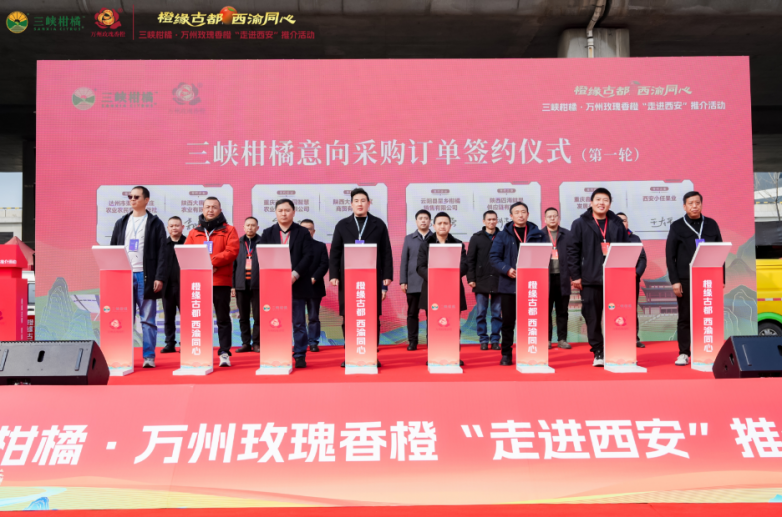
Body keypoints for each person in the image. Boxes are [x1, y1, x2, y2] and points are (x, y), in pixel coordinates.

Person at [329, 188, 393, 368]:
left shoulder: (379, 224)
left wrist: (387, 277)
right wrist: (334, 274)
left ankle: (371, 353)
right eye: (356, 201)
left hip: (372, 278)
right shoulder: (342, 225)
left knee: (372, 316)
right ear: (351, 204)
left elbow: (386, 252)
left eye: (363, 200)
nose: (359, 204)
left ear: (369, 203)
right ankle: (350, 353)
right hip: (348, 279)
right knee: (349, 316)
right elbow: (335, 251)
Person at [567, 188, 631, 367]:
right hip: (590, 279)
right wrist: (576, 276)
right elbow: (572, 251)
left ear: (609, 204)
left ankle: (617, 347)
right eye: (598, 199)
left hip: (615, 278)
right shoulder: (580, 223)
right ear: (591, 202)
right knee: (592, 316)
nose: (601, 203)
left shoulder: (617, 223)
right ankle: (598, 350)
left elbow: (625, 249)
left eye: (605, 200)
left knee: (617, 315)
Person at [109, 186, 168, 369]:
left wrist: (159, 277)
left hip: (146, 276)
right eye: (130, 197)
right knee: (124, 318)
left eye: (136, 197)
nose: (132, 200)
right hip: (125, 276)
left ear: (146, 200)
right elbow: (113, 249)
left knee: (148, 319)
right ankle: (123, 356)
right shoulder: (121, 222)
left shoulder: (155, 223)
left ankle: (149, 356)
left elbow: (162, 252)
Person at [665, 191, 723, 366]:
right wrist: (675, 281)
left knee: (708, 315)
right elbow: (670, 256)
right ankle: (684, 352)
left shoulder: (711, 224)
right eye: (690, 203)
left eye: (697, 203)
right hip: (685, 279)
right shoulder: (677, 226)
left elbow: (720, 251)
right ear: (685, 206)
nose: (694, 206)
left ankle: (709, 350)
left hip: (709, 279)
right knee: (685, 316)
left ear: (701, 204)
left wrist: (721, 278)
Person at [259, 199, 314, 369]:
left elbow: (308, 256)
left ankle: (299, 354)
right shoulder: (267, 233)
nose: (284, 213)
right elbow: (262, 256)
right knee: (275, 320)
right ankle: (277, 351)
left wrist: (294, 275)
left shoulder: (302, 232)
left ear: (294, 212)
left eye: (287, 210)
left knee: (298, 322)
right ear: (275, 213)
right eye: (280, 210)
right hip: (274, 286)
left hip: (297, 284)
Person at [184, 197, 240, 367]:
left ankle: (224, 352)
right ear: (202, 209)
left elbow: (232, 251)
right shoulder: (194, 232)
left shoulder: (229, 230)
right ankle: (200, 351)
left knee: (222, 318)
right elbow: (187, 252)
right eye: (207, 207)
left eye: (214, 207)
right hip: (199, 282)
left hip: (220, 281)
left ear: (220, 210)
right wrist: (204, 266)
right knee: (199, 318)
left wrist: (211, 262)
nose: (210, 210)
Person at [489, 202, 544, 365]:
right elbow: (493, 257)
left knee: (531, 321)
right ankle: (506, 353)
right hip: (509, 285)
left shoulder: (538, 234)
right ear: (511, 216)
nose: (520, 215)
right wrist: (506, 269)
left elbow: (545, 255)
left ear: (528, 214)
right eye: (517, 212)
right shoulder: (503, 235)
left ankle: (530, 352)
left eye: (523, 212)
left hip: (531, 285)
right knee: (508, 322)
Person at [416, 212, 468, 366]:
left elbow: (465, 265)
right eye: (439, 223)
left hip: (453, 289)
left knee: (453, 324)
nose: (442, 226)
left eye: (446, 223)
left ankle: (453, 355)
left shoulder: (458, 244)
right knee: (433, 324)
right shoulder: (425, 244)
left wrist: (450, 276)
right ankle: (434, 354)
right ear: (434, 225)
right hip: (433, 289)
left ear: (450, 226)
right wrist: (435, 276)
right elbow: (420, 267)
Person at [466, 210, 502, 351]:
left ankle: (495, 339)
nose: (491, 222)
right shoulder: (476, 238)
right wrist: (471, 278)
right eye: (489, 219)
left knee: (497, 313)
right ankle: (483, 339)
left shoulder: (502, 236)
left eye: (494, 219)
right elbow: (470, 260)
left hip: (499, 280)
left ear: (497, 220)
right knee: (481, 312)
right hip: (481, 280)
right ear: (484, 221)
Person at [400, 209, 433, 351]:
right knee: (412, 313)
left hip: (431, 282)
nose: (423, 220)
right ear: (416, 221)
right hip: (413, 282)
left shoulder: (435, 238)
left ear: (430, 221)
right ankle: (412, 341)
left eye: (426, 218)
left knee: (432, 314)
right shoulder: (409, 238)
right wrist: (403, 280)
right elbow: (404, 261)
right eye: (420, 218)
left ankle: (432, 341)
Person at [540, 207, 572, 350]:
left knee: (562, 311)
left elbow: (574, 256)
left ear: (558, 217)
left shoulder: (567, 234)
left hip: (563, 278)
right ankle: (546, 339)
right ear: (545, 219)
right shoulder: (538, 235)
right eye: (549, 216)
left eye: (555, 216)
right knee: (545, 311)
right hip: (545, 279)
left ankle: (562, 339)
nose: (552, 218)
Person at [616, 212, 648, 349]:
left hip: (631, 279)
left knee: (631, 309)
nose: (622, 223)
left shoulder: (635, 238)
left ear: (627, 223)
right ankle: (615, 337)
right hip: (613, 280)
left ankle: (634, 337)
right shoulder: (609, 237)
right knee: (613, 308)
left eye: (624, 220)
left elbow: (642, 259)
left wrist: (636, 273)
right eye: (618, 220)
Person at [232, 217, 261, 354]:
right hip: (240, 285)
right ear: (243, 227)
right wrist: (233, 286)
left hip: (258, 285)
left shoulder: (263, 243)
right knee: (243, 316)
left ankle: (257, 343)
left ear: (257, 228)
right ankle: (245, 343)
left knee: (258, 316)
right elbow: (232, 266)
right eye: (248, 225)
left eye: (253, 225)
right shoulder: (237, 243)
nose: (250, 228)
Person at [300, 219, 330, 353]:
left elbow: (324, 264)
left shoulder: (320, 246)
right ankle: (300, 343)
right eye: (303, 229)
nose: (306, 231)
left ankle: (313, 342)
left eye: (309, 229)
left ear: (314, 231)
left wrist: (314, 278)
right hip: (297, 287)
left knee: (313, 317)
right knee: (298, 318)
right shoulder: (292, 246)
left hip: (314, 286)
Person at [160, 216, 186, 354]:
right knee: (168, 317)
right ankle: (170, 343)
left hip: (185, 287)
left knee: (186, 317)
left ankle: (185, 343)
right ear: (168, 228)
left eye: (177, 225)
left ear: (182, 227)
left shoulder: (189, 243)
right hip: (167, 287)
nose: (174, 228)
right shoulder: (162, 244)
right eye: (171, 226)